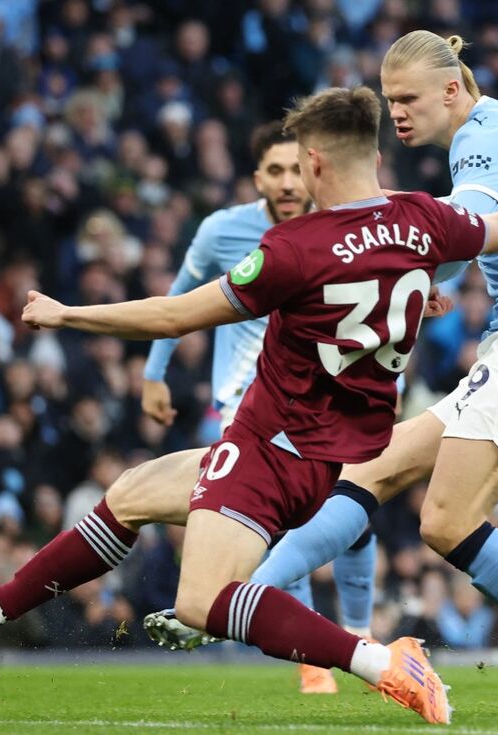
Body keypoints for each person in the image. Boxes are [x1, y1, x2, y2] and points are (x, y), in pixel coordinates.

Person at [0, 85, 498, 725]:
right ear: (373, 157)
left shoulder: (293, 249)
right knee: (134, 492)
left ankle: (379, 660)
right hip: (328, 452)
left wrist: (69, 313)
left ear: (313, 164)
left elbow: (173, 316)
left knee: (200, 600)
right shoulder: (425, 220)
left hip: (270, 445)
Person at [151, 32, 498, 714]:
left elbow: (453, 225)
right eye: (389, 101)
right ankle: (243, 596)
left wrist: (406, 275)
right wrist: (419, 277)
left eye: (407, 98)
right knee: (369, 473)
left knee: (444, 521)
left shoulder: (482, 137)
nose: (397, 113)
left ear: (452, 90)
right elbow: (445, 241)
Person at [140, 120, 376, 694]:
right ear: (257, 179)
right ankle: (314, 657)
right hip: (247, 410)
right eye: (275, 171)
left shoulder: (342, 229)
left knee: (356, 521)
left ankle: (359, 633)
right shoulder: (224, 231)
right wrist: (154, 372)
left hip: (333, 405)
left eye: (297, 169)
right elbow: (179, 299)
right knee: (278, 528)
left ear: (314, 168)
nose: (288, 182)